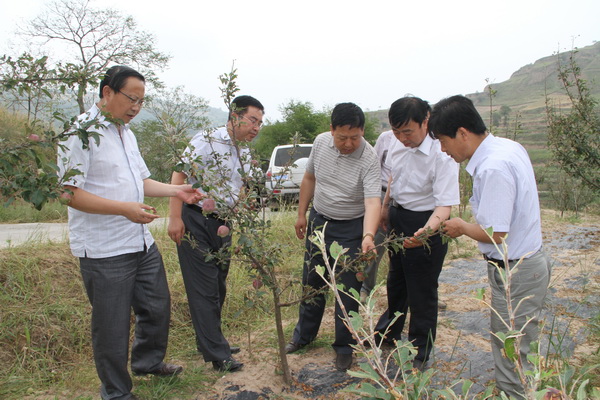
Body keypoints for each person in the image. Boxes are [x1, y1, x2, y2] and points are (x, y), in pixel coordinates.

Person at [57, 65, 202, 400]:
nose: (136, 107)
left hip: (139, 241)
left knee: (157, 305)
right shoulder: (79, 133)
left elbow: (140, 181)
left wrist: (176, 192)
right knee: (111, 326)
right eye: (131, 99)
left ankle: (147, 363)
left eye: (141, 101)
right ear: (107, 93)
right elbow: (68, 192)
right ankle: (116, 392)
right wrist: (124, 208)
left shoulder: (126, 132)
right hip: (104, 248)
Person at [430, 95, 551, 399]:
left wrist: (461, 227)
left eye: (443, 141)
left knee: (512, 351)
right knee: (520, 345)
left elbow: (496, 233)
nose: (443, 150)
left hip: (517, 272)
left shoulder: (492, 167)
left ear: (462, 133)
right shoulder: (507, 147)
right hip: (527, 264)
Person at [168, 95, 265, 373]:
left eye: (260, 122)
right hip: (195, 219)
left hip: (223, 223)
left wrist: (242, 211)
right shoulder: (207, 140)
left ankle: (212, 341)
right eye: (252, 120)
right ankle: (217, 354)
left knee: (218, 284)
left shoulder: (244, 150)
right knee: (204, 287)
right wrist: (175, 218)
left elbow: (239, 187)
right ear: (235, 116)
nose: (256, 127)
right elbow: (179, 177)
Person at [284, 102, 381, 371]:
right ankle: (303, 336)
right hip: (319, 222)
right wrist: (301, 214)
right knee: (312, 282)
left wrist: (368, 235)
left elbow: (373, 202)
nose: (348, 144)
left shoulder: (369, 158)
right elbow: (309, 179)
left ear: (362, 131)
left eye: (354, 137)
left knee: (347, 290)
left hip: (352, 228)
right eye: (342, 138)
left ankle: (344, 347)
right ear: (331, 131)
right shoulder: (320, 143)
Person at [374, 96, 459, 371]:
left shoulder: (442, 153)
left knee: (422, 290)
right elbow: (392, 179)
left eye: (407, 132)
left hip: (426, 222)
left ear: (426, 120)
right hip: (399, 216)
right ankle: (388, 334)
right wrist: (386, 208)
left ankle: (420, 350)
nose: (402, 138)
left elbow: (444, 206)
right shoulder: (394, 142)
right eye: (396, 131)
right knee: (396, 280)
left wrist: (425, 233)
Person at [359, 129, 394, 303]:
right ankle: (366, 288)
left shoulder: (429, 141)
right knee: (375, 245)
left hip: (408, 201)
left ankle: (423, 292)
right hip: (381, 195)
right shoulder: (385, 138)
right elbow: (373, 165)